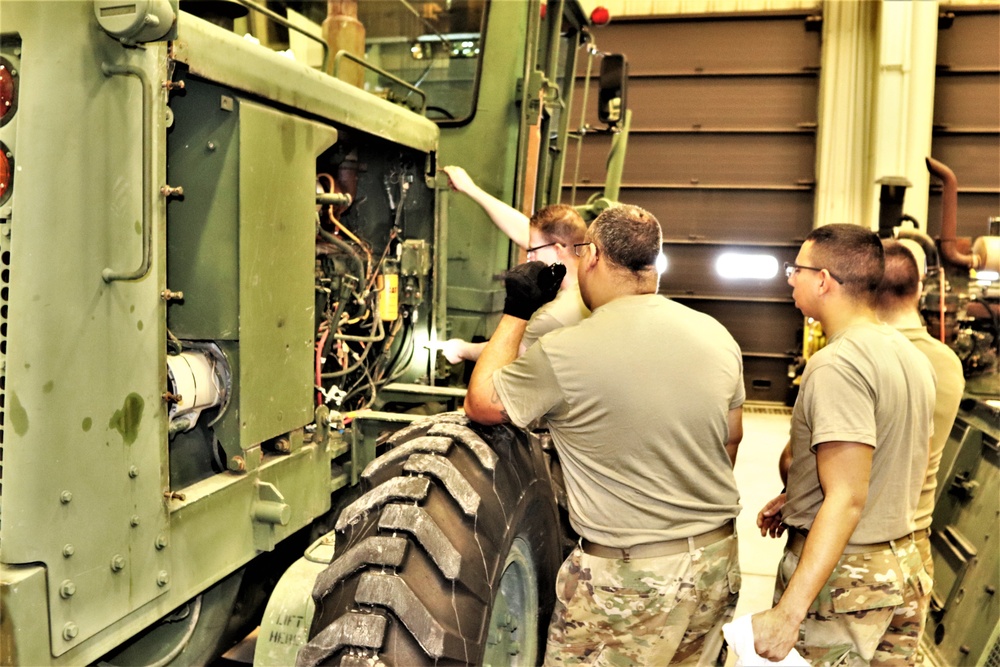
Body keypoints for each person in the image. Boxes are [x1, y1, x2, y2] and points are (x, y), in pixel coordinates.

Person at [465, 205, 745, 665]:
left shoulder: (566, 350)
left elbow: (482, 403)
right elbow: (730, 439)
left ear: (591, 255)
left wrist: (517, 312)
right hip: (716, 564)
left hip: (629, 580)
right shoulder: (716, 335)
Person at [753, 224, 936, 665]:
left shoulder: (837, 364)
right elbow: (884, 462)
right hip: (901, 566)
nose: (790, 278)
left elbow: (849, 496)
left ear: (823, 280)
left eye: (795, 268)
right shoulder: (910, 356)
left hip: (844, 583)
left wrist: (788, 614)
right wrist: (799, 496)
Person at [876, 240, 965, 606]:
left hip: (852, 554)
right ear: (919, 289)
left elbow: (795, 463)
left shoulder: (854, 357)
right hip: (914, 549)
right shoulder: (948, 364)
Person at [440, 166, 589, 362]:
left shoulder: (557, 314)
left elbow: (510, 351)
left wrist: (460, 349)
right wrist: (470, 189)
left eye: (533, 250)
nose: (529, 257)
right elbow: (525, 231)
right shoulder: (590, 277)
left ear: (559, 248)